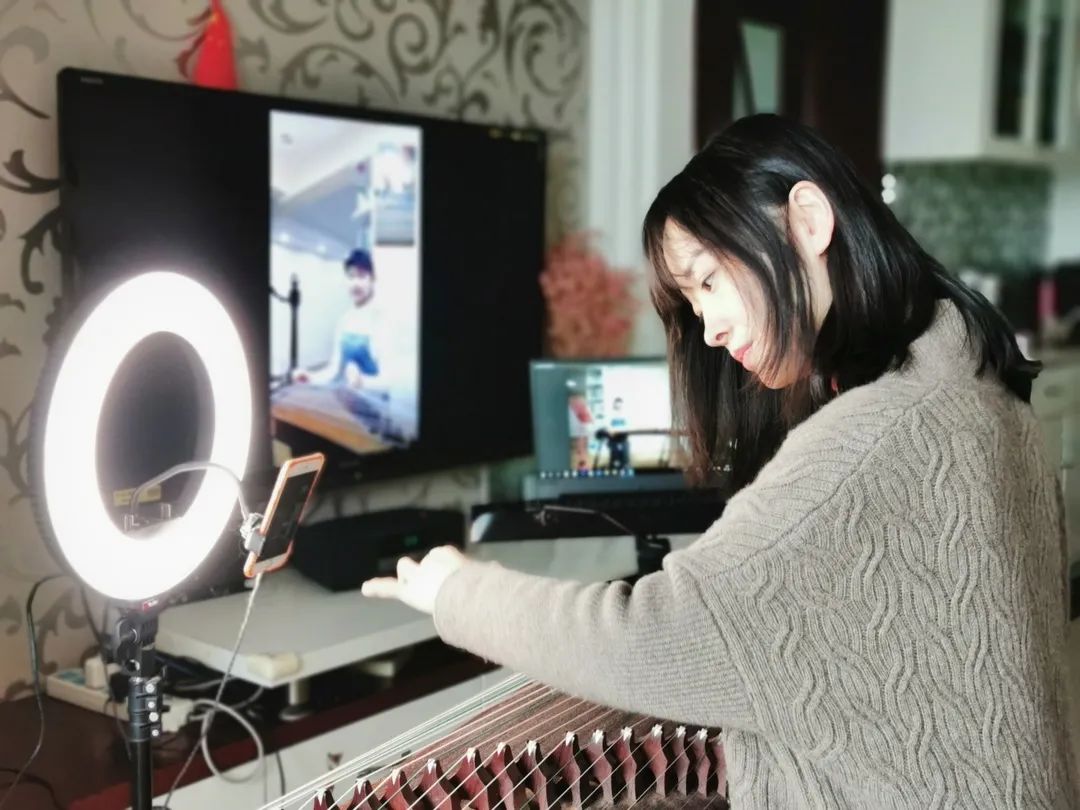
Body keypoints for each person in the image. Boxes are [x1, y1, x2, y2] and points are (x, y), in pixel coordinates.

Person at [362, 115, 1080, 808]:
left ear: (808, 221)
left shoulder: (869, 443)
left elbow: (642, 639)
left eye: (708, 280)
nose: (706, 328)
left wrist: (454, 590)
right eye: (690, 299)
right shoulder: (976, 384)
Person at [293, 249, 380, 388]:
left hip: (377, 400)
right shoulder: (345, 320)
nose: (355, 283)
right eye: (351, 276)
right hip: (349, 398)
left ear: (372, 279)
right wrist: (311, 377)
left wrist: (363, 381)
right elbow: (334, 370)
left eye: (362, 276)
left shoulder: (381, 318)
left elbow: (392, 379)